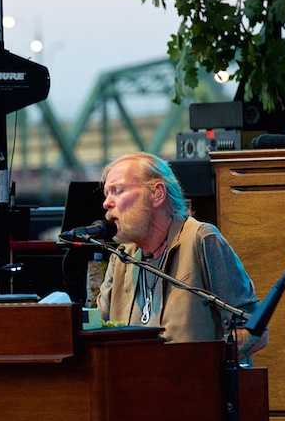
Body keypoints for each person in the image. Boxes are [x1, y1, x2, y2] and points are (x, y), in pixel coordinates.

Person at [97, 152, 266, 356]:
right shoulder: (121, 257)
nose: (107, 203)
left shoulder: (201, 239)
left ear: (157, 194)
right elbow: (96, 329)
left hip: (195, 383)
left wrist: (199, 367)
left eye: (117, 191)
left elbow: (254, 331)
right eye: (107, 193)